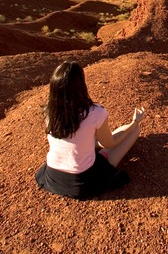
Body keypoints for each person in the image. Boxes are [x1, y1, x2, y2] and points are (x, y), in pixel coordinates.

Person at [35, 61, 144, 199]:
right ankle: (134, 125)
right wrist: (134, 122)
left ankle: (96, 146)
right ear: (81, 86)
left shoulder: (49, 111)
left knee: (89, 140)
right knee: (134, 131)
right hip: (82, 180)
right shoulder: (94, 112)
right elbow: (109, 143)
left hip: (53, 176)